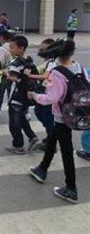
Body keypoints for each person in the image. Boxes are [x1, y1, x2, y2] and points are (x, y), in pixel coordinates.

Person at [28, 39, 88, 203]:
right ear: (71, 53)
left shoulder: (56, 72)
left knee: (66, 151)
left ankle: (71, 189)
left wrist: (34, 96)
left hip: (63, 116)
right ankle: (42, 169)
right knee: (53, 138)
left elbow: (51, 98)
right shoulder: (79, 67)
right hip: (76, 112)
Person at [5, 35, 40, 154]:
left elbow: (13, 77)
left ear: (21, 48)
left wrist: (6, 73)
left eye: (12, 47)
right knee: (22, 119)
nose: (10, 49)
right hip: (26, 96)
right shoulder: (29, 59)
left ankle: (18, 146)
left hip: (16, 96)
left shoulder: (15, 62)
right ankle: (33, 137)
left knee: (14, 123)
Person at [24, 38, 56, 150]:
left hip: (49, 94)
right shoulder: (48, 62)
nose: (40, 50)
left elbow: (46, 76)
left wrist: (30, 75)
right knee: (40, 113)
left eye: (43, 48)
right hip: (44, 92)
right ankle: (50, 137)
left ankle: (51, 143)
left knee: (47, 118)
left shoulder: (53, 62)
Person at [0, 30, 13, 116]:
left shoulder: (2, 49)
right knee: (13, 92)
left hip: (5, 73)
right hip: (15, 73)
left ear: (2, 38)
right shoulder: (15, 46)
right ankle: (20, 111)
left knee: (1, 92)